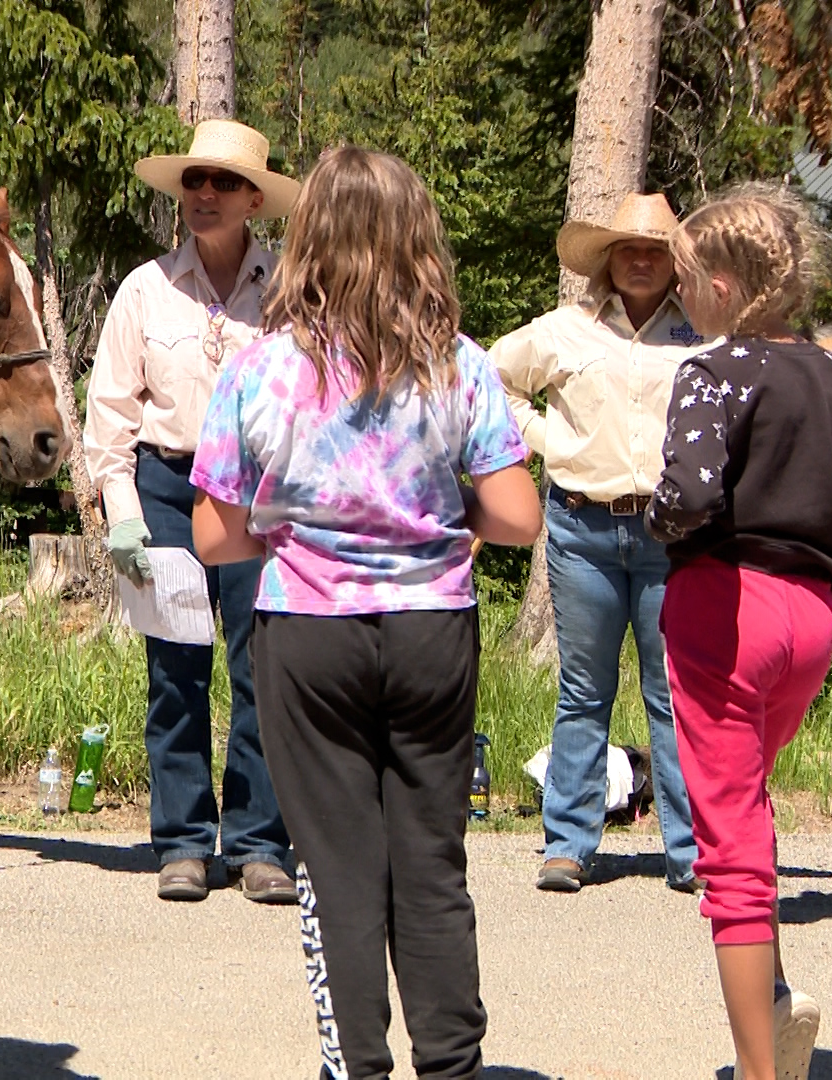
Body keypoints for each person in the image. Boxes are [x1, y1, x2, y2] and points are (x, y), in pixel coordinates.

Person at [192, 146, 542, 1080]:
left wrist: (291, 525)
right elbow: (516, 516)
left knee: (338, 872)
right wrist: (429, 517)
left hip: (307, 636)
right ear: (415, 241)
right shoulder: (460, 366)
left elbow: (214, 535)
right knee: (431, 861)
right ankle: (452, 1066)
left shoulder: (259, 369)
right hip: (432, 626)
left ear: (307, 240)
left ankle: (357, 1067)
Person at [646, 183, 832, 1080]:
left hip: (725, 606)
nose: (681, 300)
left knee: (731, 844)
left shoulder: (714, 371)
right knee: (748, 802)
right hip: (812, 614)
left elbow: (694, 494)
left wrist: (655, 515)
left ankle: (758, 1069)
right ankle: (773, 993)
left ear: (721, 282)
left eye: (684, 282)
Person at [83, 119, 301, 904]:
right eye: (193, 184)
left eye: (220, 184)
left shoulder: (287, 291)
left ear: (253, 199)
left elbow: (310, 397)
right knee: (175, 669)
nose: (202, 196)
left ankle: (258, 842)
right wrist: (120, 508)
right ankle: (179, 841)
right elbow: (110, 407)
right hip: (167, 488)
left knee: (260, 665)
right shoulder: (145, 289)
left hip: (257, 492)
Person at [490, 191, 704, 893]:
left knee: (671, 691)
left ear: (675, 263)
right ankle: (568, 844)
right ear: (608, 261)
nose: (641, 261)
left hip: (669, 534)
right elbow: (493, 379)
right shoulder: (563, 330)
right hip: (581, 529)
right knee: (584, 689)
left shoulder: (702, 334)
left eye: (655, 250)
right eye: (628, 249)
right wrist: (553, 442)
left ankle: (689, 850)